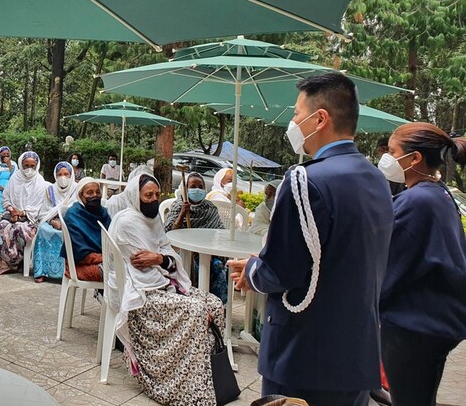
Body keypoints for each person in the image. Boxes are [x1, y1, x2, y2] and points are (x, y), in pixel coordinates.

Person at [228, 72, 393, 406]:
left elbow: (281, 271)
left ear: (320, 119)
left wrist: (254, 271)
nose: (293, 123)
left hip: (303, 352)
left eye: (296, 115)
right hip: (357, 352)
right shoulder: (376, 178)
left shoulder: (305, 179)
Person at [108, 173, 224, 406]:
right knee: (197, 309)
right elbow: (144, 268)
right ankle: (177, 385)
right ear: (135, 196)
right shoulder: (127, 222)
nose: (153, 199)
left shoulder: (153, 221)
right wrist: (163, 261)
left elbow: (167, 257)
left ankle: (204, 378)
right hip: (142, 294)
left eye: (156, 195)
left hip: (163, 284)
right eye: (147, 195)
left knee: (215, 304)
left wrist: (161, 259)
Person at [377, 122, 466, 406]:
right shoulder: (439, 194)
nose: (386, 158)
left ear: (414, 158)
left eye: (392, 151)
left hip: (412, 330)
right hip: (434, 324)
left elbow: (389, 268)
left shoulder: (416, 202)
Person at [166, 172, 228, 302]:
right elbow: (168, 233)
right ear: (185, 189)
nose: (197, 189)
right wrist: (182, 215)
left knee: (219, 267)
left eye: (200, 186)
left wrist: (212, 252)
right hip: (184, 254)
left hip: (208, 254)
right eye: (193, 186)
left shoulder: (210, 208)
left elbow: (220, 233)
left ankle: (215, 305)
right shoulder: (179, 206)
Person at [0, 151, 49, 276]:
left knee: (20, 228)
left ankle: (16, 262)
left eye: (32, 166)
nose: (29, 169)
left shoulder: (40, 183)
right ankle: (1, 264)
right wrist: (12, 210)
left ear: (37, 166)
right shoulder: (15, 178)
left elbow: (39, 207)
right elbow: (6, 198)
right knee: (3, 225)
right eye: (26, 166)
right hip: (12, 214)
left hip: (30, 218)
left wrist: (22, 213)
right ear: (21, 164)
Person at [32, 162, 76, 282]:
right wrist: (52, 221)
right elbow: (44, 211)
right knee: (43, 230)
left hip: (72, 223)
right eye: (59, 174)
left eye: (66, 174)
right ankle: (41, 271)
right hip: (53, 221)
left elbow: (80, 211)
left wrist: (66, 223)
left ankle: (69, 272)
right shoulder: (50, 190)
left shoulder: (77, 190)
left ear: (71, 175)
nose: (63, 177)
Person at [61, 177, 110, 282]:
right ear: (80, 196)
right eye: (89, 193)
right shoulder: (73, 215)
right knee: (119, 274)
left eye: (97, 192)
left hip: (105, 261)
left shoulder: (103, 214)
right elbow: (79, 252)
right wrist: (107, 258)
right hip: (78, 265)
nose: (95, 196)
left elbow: (112, 239)